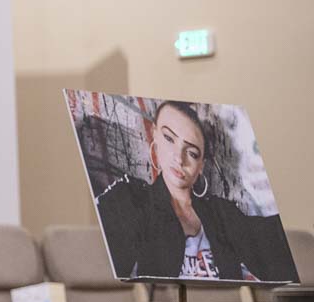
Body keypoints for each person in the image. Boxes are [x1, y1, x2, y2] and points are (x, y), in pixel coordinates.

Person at [94, 100, 296, 282]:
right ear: (154, 136)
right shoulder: (132, 199)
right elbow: (107, 269)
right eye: (169, 138)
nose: (179, 158)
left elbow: (275, 252)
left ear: (201, 165)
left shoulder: (221, 213)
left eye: (191, 152)